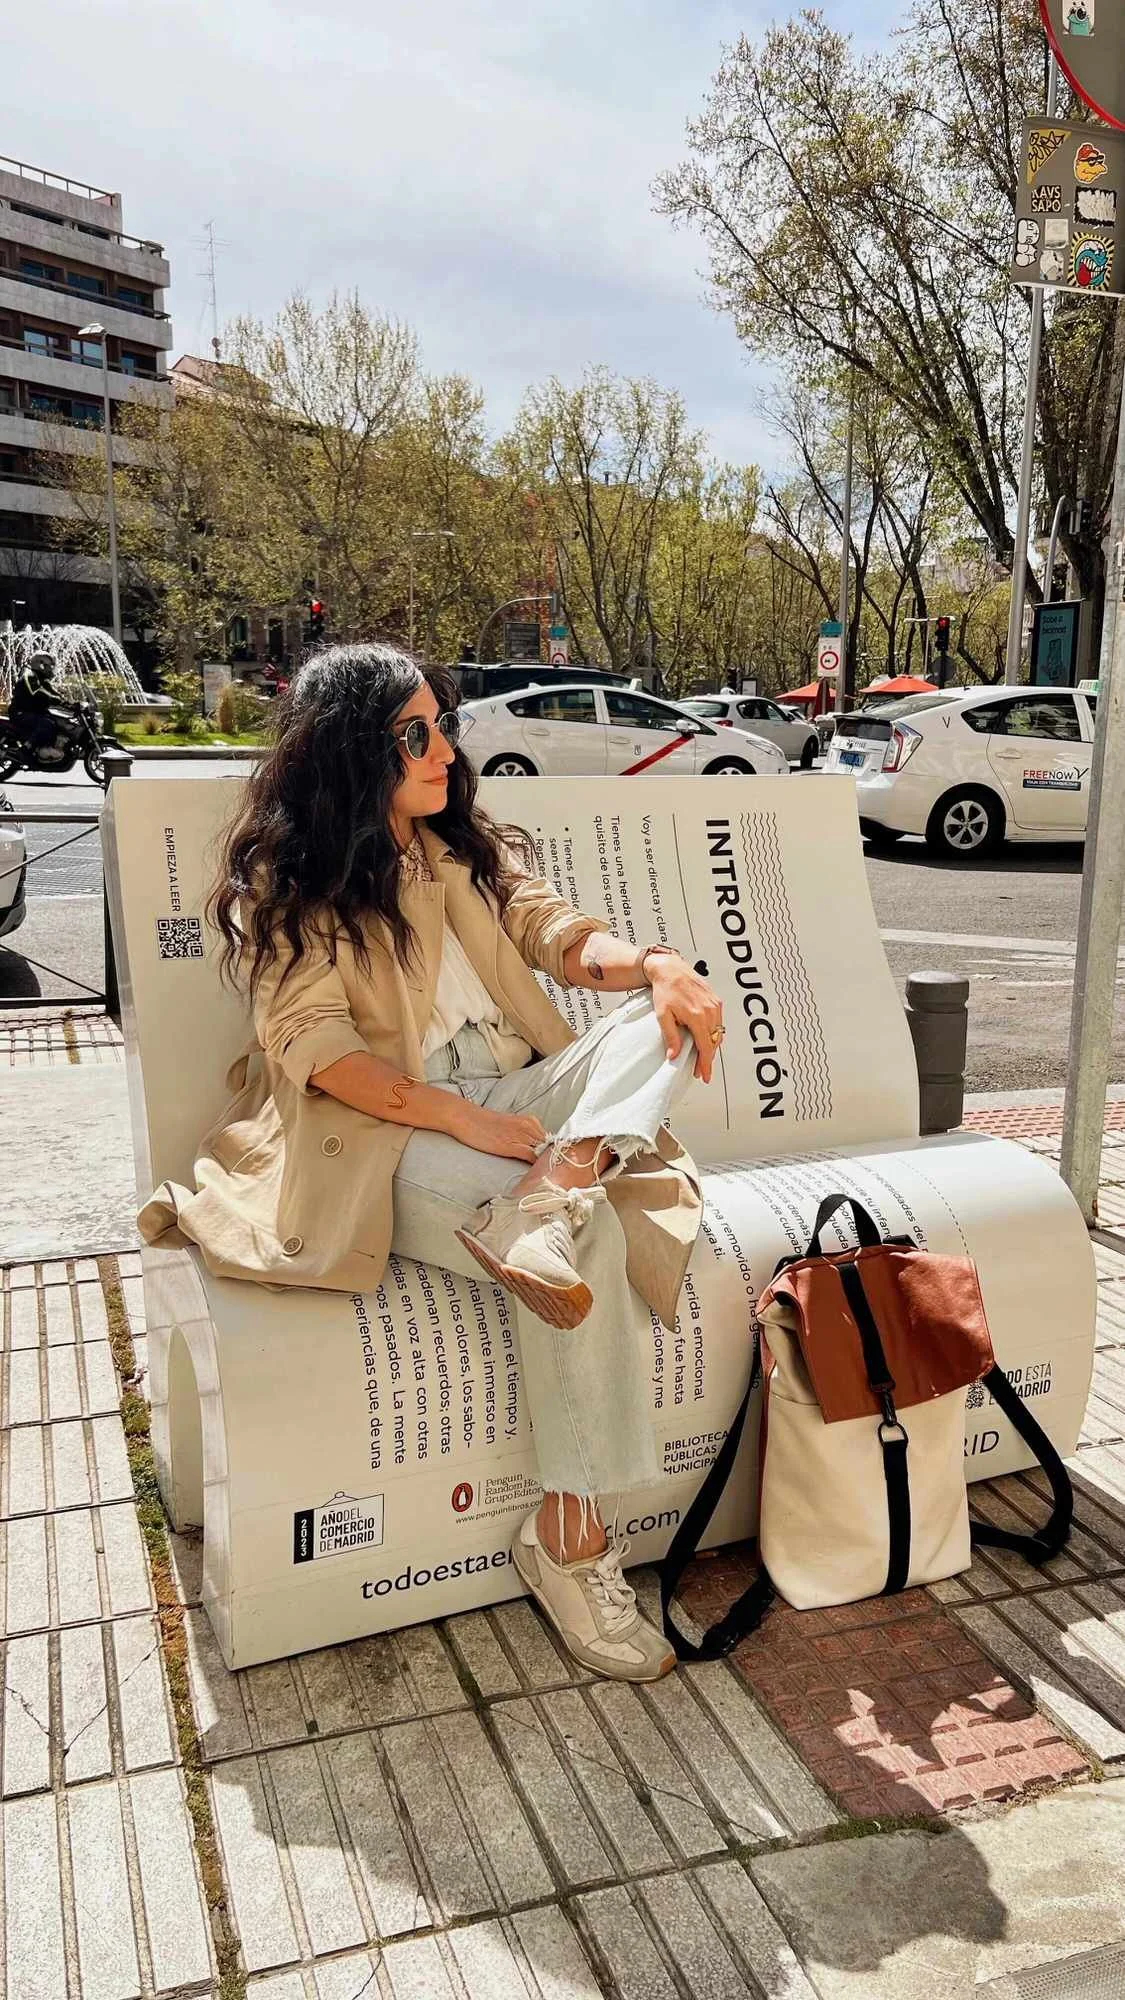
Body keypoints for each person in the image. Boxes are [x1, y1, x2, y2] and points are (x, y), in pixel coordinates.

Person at [139, 642, 726, 1682]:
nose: (445, 750)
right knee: (582, 1236)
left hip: (521, 1102)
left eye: (443, 724)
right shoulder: (300, 881)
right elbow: (317, 1050)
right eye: (416, 732)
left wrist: (660, 965)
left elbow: (559, 936)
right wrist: (458, 1116)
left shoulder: (465, 848)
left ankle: (557, 1184)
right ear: (353, 751)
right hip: (382, 1133)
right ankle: (570, 1538)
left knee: (661, 1021)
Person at [8, 652, 73, 756]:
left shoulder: (42, 679)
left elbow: (53, 692)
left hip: (34, 712)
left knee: (57, 721)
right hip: (21, 712)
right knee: (46, 723)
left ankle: (50, 747)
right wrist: (55, 699)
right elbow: (37, 692)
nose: (50, 669)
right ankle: (26, 748)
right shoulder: (30, 675)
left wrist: (69, 703)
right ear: (41, 665)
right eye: (48, 667)